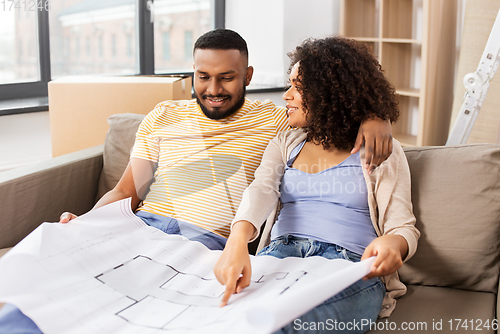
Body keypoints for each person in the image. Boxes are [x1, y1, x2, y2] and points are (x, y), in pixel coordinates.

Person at [0, 30, 394, 333]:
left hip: (204, 244)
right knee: (40, 299)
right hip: (140, 227)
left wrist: (377, 116)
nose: (213, 90)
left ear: (248, 76)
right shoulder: (163, 115)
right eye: (203, 77)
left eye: (226, 78)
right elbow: (125, 192)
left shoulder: (276, 121)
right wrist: (86, 222)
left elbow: (332, 103)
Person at [213, 36, 420, 334]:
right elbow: (261, 190)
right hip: (280, 256)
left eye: (299, 88)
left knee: (283, 326)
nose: (286, 95)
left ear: (329, 94)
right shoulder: (285, 143)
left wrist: (393, 244)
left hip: (348, 266)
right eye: (290, 84)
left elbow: (404, 227)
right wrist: (237, 241)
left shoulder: (380, 150)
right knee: (227, 320)